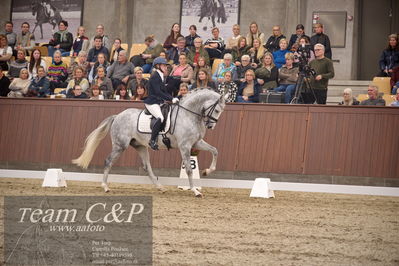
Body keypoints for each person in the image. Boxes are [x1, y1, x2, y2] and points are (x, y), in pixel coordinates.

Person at [143, 57, 178, 150]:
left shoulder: (161, 76)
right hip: (152, 102)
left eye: (166, 65)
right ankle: (152, 140)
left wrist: (173, 98)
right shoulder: (155, 76)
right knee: (160, 117)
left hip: (159, 101)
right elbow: (158, 92)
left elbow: (164, 91)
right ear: (158, 66)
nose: (166, 67)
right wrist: (170, 98)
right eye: (164, 65)